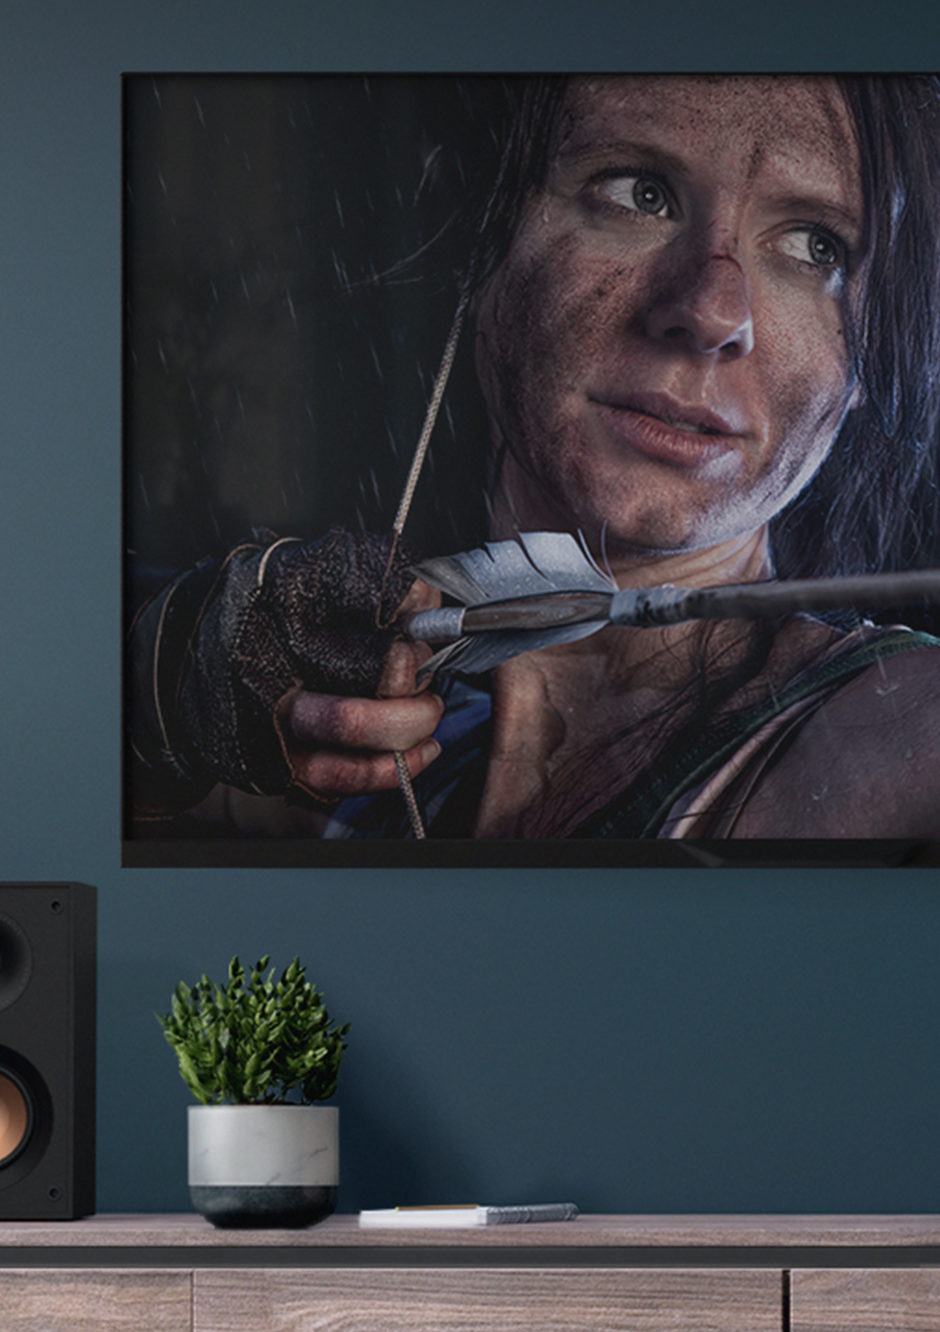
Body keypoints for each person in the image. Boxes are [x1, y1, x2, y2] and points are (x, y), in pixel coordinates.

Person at [127, 74, 940, 841]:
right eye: (640, 193)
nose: (712, 313)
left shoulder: (901, 736)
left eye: (816, 245)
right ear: (474, 232)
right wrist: (150, 690)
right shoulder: (337, 749)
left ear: (871, 358)